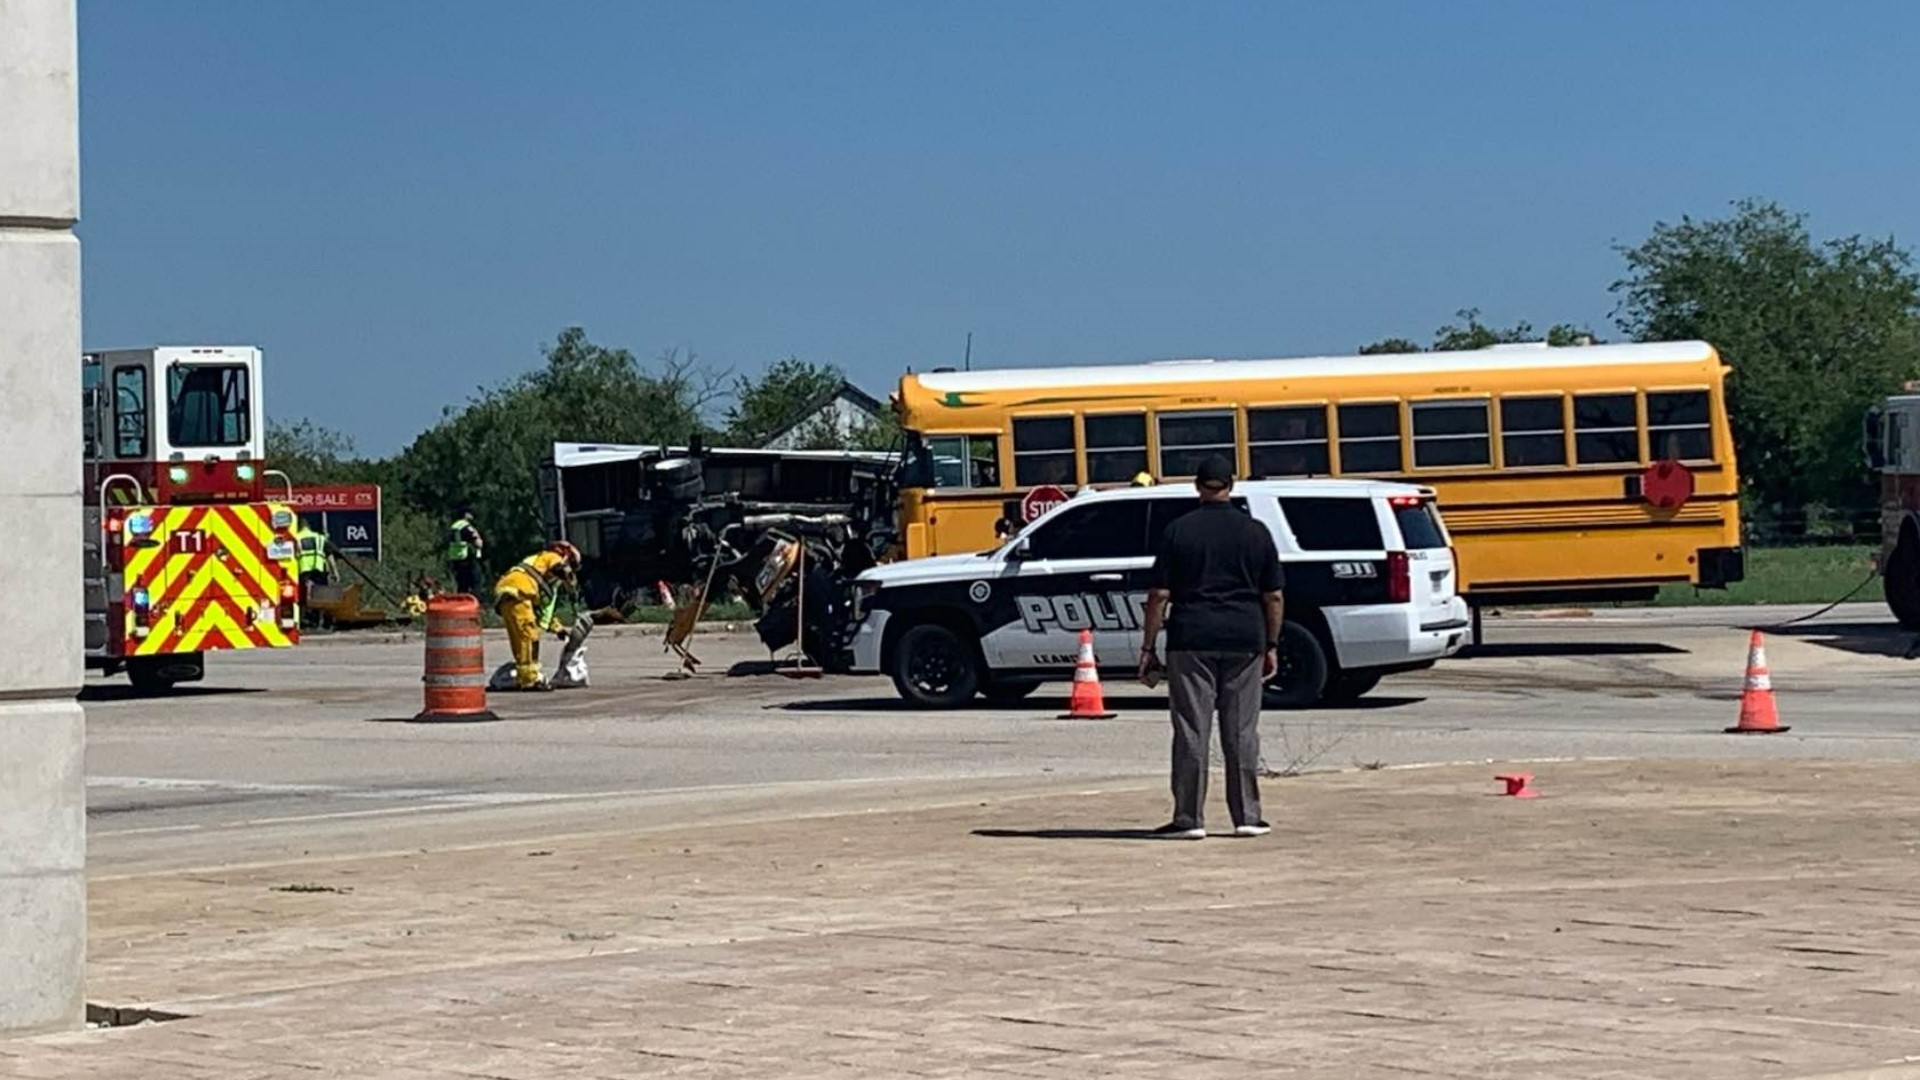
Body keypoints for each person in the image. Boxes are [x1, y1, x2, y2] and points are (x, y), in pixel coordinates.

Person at [1137, 455, 1284, 840]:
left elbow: (1158, 595)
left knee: (1191, 729)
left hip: (1191, 639)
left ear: (1198, 486)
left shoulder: (1178, 531)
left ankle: (1189, 818)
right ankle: (1248, 817)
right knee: (1241, 731)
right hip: (1245, 638)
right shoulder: (1256, 532)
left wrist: (1148, 647)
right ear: (1231, 486)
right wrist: (1271, 643)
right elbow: (1273, 597)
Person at [493, 540, 581, 691]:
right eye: (571, 564)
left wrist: (558, 628)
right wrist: (570, 579)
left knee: (519, 641)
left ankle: (524, 675)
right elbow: (559, 568)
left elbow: (541, 613)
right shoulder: (551, 556)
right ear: (565, 555)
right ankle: (530, 680)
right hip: (520, 590)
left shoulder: (542, 578)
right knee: (529, 636)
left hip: (508, 594)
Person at [446, 507, 485, 596]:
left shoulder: (454, 527)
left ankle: (461, 605)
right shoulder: (467, 526)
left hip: (456, 559)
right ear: (466, 515)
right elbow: (478, 543)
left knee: (462, 585)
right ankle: (474, 603)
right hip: (468, 558)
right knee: (476, 581)